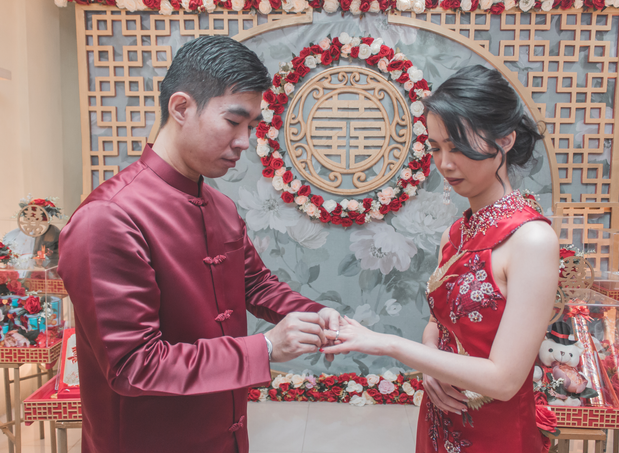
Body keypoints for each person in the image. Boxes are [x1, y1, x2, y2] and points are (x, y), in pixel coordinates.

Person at [58, 36, 341, 453]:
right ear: (181, 108)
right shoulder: (108, 218)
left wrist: (317, 314)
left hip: (224, 435)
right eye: (234, 122)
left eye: (252, 127)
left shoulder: (220, 206)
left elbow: (255, 284)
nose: (245, 142)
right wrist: (264, 348)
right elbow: (135, 365)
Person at [323, 66, 559, 453]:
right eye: (436, 148)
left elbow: (503, 379)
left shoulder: (531, 239)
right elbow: (439, 323)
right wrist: (431, 364)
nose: (445, 164)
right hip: (441, 415)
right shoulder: (457, 233)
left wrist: (389, 345)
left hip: (495, 433)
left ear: (505, 140)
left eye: (458, 147)